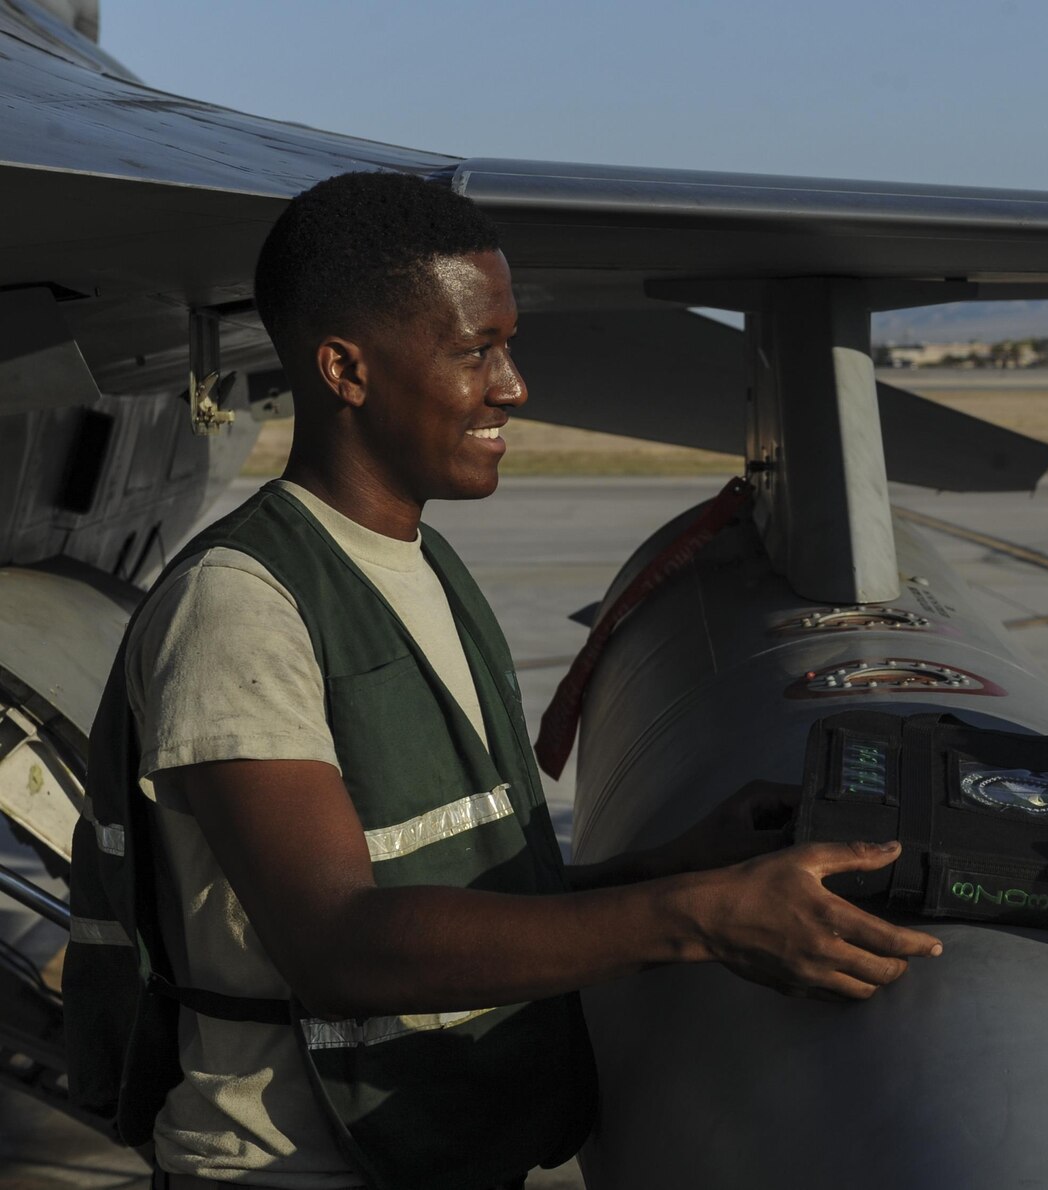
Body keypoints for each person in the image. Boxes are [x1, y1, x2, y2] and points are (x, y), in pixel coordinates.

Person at [65, 171, 942, 1190]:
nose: (514, 384)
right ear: (345, 368)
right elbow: (338, 942)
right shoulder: (239, 607)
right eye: (475, 349)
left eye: (508, 345)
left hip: (427, 1150)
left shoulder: (419, 567)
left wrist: (672, 866)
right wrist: (696, 915)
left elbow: (446, 902)